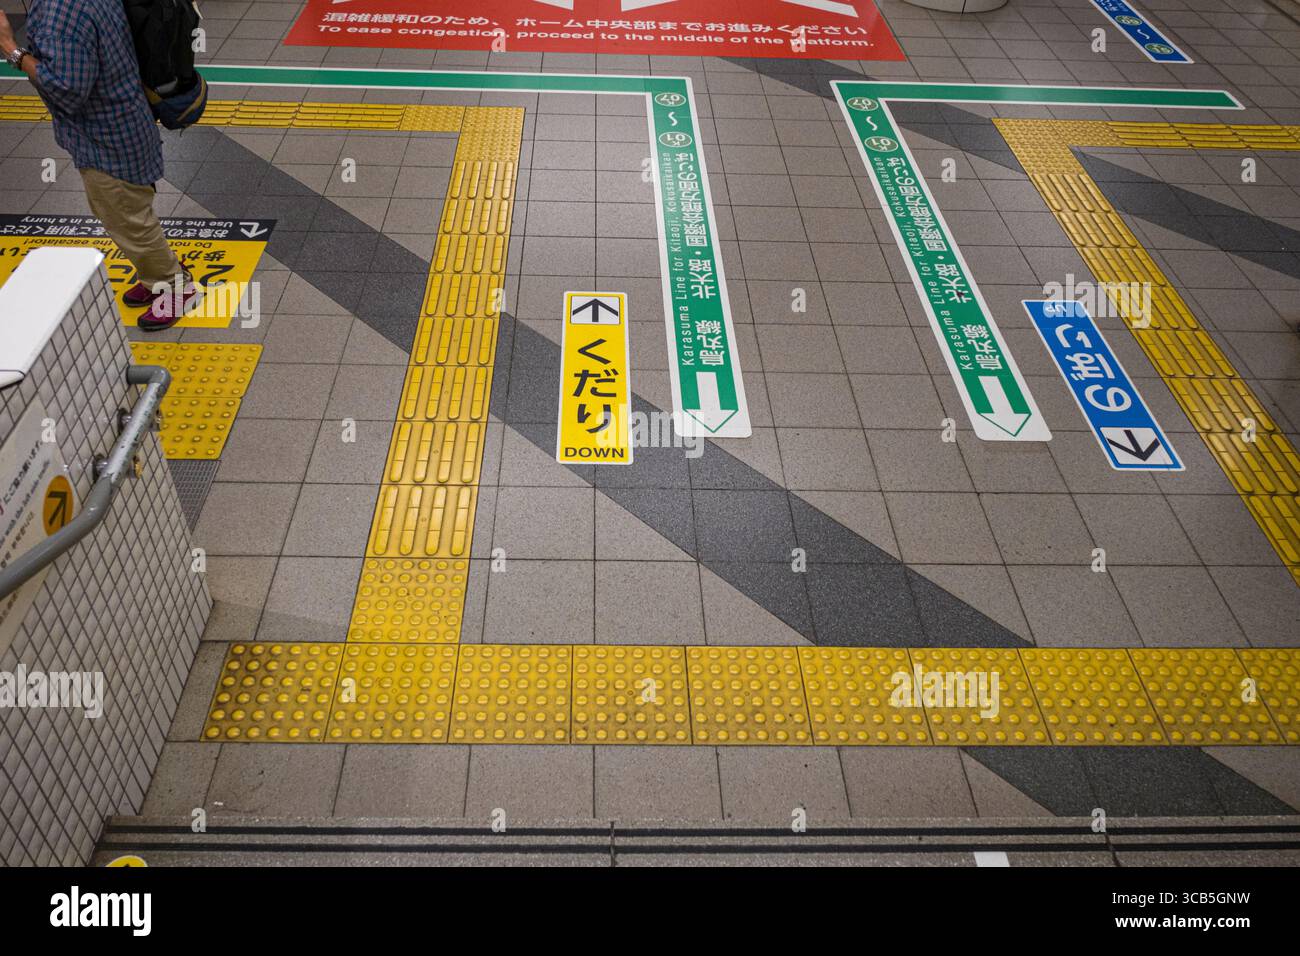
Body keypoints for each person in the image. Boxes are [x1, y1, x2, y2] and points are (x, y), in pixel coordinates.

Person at [0, 1, 201, 331]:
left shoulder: (58, 15)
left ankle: (176, 287)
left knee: (128, 220)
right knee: (128, 212)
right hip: (127, 116)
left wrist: (12, 49)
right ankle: (156, 279)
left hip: (107, 137)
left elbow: (67, 90)